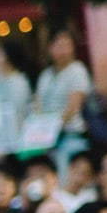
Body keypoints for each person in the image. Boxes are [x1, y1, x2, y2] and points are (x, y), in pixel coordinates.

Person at [35, 29, 93, 173]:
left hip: (70, 135)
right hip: (46, 139)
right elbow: (38, 104)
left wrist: (54, 127)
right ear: (50, 48)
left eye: (67, 45)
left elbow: (74, 107)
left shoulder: (77, 71)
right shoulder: (46, 75)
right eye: (59, 45)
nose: (63, 50)